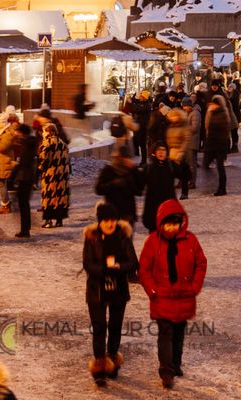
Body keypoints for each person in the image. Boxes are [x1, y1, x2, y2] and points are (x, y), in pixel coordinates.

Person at [139, 199, 208, 389]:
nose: (171, 228)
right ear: (161, 223)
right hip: (162, 297)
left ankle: (176, 364)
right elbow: (144, 269)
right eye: (168, 224)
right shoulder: (153, 241)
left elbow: (201, 263)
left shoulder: (190, 240)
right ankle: (166, 371)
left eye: (175, 224)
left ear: (181, 222)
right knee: (165, 334)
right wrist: (152, 290)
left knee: (179, 333)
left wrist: (194, 287)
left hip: (184, 296)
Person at [83, 201, 139, 387]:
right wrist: (105, 269)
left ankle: (112, 359)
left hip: (118, 288)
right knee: (99, 328)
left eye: (113, 220)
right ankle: (99, 367)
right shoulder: (91, 237)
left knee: (115, 326)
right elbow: (88, 264)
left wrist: (119, 268)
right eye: (106, 221)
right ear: (100, 221)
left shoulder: (123, 236)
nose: (110, 224)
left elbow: (133, 262)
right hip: (97, 290)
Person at [95, 150, 144, 225]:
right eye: (123, 158)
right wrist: (112, 184)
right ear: (118, 158)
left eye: (128, 158)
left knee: (127, 235)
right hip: (112, 213)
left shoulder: (131, 170)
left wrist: (134, 170)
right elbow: (98, 189)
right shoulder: (108, 170)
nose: (125, 160)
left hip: (128, 214)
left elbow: (140, 191)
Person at [39, 121, 70, 228]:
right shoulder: (62, 143)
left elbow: (43, 159)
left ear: (49, 132)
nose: (42, 134)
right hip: (62, 176)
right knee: (60, 197)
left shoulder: (46, 143)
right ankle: (59, 220)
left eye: (43, 132)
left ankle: (48, 220)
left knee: (49, 197)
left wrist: (40, 169)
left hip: (50, 175)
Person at [0, 108, 19, 215]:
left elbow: (2, 146)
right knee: (0, 183)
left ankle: (6, 205)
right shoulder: (2, 132)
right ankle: (6, 203)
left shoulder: (7, 133)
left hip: (3, 161)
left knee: (1, 183)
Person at [12, 123, 38, 239]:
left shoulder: (26, 143)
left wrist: (13, 175)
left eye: (18, 131)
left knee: (22, 204)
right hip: (27, 176)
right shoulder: (30, 142)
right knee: (23, 203)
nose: (16, 133)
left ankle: (25, 229)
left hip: (24, 177)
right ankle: (25, 228)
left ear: (22, 133)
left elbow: (23, 162)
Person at [143, 144, 177, 233]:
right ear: (154, 152)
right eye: (159, 150)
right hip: (153, 208)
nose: (161, 152)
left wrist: (182, 164)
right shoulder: (149, 168)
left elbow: (186, 176)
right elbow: (140, 186)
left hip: (168, 207)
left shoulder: (171, 166)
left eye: (163, 150)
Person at [203, 95, 230, 196]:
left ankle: (221, 188)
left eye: (213, 104)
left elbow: (222, 132)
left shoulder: (222, 114)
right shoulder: (214, 113)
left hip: (219, 145)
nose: (211, 105)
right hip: (213, 144)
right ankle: (215, 185)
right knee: (206, 164)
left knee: (220, 167)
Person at [165, 107, 190, 201]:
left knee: (183, 174)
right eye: (172, 117)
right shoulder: (170, 126)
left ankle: (184, 192)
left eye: (175, 116)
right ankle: (171, 193)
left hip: (181, 153)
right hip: (171, 153)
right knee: (171, 174)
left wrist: (181, 152)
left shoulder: (184, 126)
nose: (173, 118)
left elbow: (186, 140)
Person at [185, 98, 202, 189]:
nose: (184, 108)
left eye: (185, 106)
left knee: (192, 163)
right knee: (186, 163)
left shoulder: (195, 113)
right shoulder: (190, 113)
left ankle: (192, 181)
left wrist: (184, 126)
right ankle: (186, 180)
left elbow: (195, 128)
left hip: (192, 141)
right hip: (188, 141)